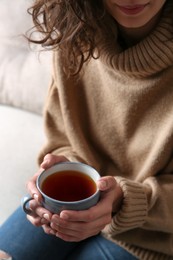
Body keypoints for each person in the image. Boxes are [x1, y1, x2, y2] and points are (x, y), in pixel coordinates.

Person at [0, 0, 173, 259]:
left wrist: (125, 200)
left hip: (153, 237)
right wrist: (61, 168)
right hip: (72, 201)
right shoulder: (76, 23)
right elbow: (62, 135)